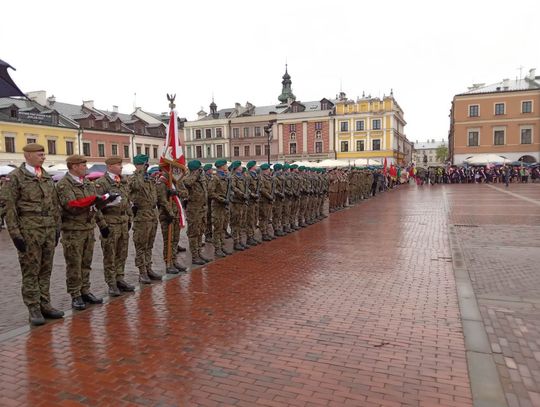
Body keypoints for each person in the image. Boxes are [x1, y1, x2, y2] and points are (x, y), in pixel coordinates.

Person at [0, 143, 64, 325]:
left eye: (43, 154)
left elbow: (54, 205)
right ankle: (33, 308)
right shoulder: (15, 178)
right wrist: (15, 235)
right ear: (27, 155)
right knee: (30, 270)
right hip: (29, 231)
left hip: (48, 229)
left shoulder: (46, 177)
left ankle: (45, 304)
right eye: (39, 154)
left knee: (46, 269)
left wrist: (57, 228)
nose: (43, 157)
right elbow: (9, 208)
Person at [56, 154, 110, 310]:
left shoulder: (87, 183)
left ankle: (85, 290)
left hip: (88, 229)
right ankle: (75, 294)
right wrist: (93, 201)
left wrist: (102, 224)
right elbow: (71, 206)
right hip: (73, 231)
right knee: (74, 264)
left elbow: (96, 206)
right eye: (83, 165)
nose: (86, 167)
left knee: (86, 263)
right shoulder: (64, 185)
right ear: (74, 166)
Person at [94, 156, 135, 296]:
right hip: (110, 222)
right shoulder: (101, 183)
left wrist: (130, 218)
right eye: (118, 165)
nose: (121, 167)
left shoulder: (123, 181)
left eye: (120, 164)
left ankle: (119, 278)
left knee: (122, 253)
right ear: (110, 166)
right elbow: (96, 206)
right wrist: (102, 225)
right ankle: (111, 283)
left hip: (123, 222)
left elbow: (127, 201)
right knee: (110, 255)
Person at [129, 154, 162, 284]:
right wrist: (139, 171)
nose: (146, 167)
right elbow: (136, 186)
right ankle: (142, 272)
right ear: (138, 165)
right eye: (144, 164)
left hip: (152, 215)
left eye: (146, 164)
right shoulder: (134, 179)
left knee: (149, 245)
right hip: (141, 217)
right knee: (141, 245)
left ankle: (148, 268)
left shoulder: (149, 179)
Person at [156, 164, 188, 274]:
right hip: (167, 216)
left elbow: (185, 193)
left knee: (175, 239)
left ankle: (174, 260)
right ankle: (168, 263)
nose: (176, 170)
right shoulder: (162, 181)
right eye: (173, 168)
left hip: (176, 214)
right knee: (168, 240)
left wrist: (176, 192)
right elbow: (162, 200)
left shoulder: (177, 181)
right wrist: (170, 212)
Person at [183, 160, 209, 264]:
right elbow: (188, 183)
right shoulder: (188, 178)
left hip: (202, 209)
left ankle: (199, 253)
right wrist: (195, 174)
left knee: (200, 231)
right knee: (193, 233)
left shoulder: (200, 179)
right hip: (193, 210)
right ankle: (194, 256)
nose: (201, 171)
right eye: (199, 169)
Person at [208, 159, 231, 257]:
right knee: (217, 228)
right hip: (217, 206)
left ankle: (221, 246)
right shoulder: (215, 178)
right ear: (221, 166)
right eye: (225, 165)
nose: (226, 166)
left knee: (222, 228)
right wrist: (221, 199)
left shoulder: (225, 177)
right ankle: (217, 249)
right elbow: (211, 193)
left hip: (224, 206)